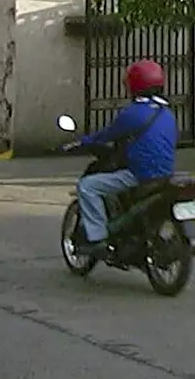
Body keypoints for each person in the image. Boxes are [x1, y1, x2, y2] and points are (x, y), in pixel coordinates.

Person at [66, 59, 177, 258]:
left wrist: (83, 142)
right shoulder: (167, 112)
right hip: (165, 174)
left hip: (139, 174)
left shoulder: (133, 113)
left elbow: (107, 135)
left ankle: (98, 238)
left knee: (88, 186)